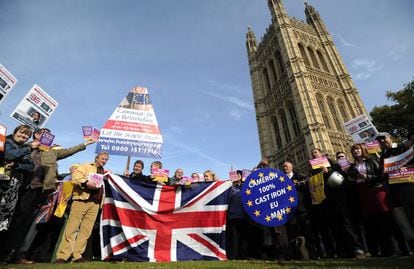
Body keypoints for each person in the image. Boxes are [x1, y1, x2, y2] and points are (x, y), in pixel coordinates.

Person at [16, 128, 96, 263]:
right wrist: (29, 147)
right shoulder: (25, 146)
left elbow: (68, 151)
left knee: (33, 224)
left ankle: (20, 254)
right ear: (36, 135)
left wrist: (85, 144)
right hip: (24, 188)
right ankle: (7, 252)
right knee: (17, 221)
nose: (47, 137)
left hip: (42, 191)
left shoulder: (52, 152)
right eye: (44, 134)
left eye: (49, 135)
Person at [308, 148, 364, 259]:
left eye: (316, 152)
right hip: (325, 200)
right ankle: (342, 251)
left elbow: (341, 177)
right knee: (334, 226)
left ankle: (356, 248)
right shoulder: (312, 169)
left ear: (321, 154)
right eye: (312, 153)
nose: (314, 154)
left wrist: (328, 171)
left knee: (346, 223)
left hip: (338, 198)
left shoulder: (332, 163)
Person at [55, 151, 109, 263]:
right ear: (97, 158)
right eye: (102, 158)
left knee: (86, 231)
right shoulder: (85, 166)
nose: (104, 161)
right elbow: (76, 176)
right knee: (72, 228)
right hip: (81, 200)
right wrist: (86, 183)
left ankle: (77, 255)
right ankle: (63, 256)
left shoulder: (105, 172)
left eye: (106, 160)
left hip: (95, 204)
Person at [0, 125, 39, 263]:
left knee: (4, 222)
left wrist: (16, 165)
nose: (23, 138)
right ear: (15, 132)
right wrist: (27, 148)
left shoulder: (24, 150)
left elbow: (30, 167)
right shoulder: (6, 141)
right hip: (2, 183)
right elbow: (8, 155)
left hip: (13, 188)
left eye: (25, 136)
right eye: (21, 135)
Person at [348, 143, 394, 256]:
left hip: (376, 191)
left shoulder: (372, 160)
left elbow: (381, 175)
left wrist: (367, 177)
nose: (356, 151)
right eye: (354, 150)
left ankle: (388, 249)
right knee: (369, 223)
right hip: (362, 194)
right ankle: (374, 250)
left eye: (358, 149)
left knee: (383, 221)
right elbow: (350, 180)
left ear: (362, 150)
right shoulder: (353, 166)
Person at [376, 132, 414, 250]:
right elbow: (382, 174)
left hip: (408, 188)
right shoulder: (383, 156)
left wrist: (406, 168)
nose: (382, 141)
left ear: (390, 138)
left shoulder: (404, 146)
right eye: (379, 140)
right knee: (403, 221)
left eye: (384, 138)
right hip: (393, 192)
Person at [283, 161, 311, 260]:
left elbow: (307, 188)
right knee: (292, 231)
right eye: (283, 167)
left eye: (286, 166)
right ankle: (296, 255)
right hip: (289, 209)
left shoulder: (300, 176)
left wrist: (299, 184)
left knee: (306, 229)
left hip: (301, 207)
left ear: (292, 166)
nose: (285, 168)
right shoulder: (281, 180)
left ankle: (311, 253)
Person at [226, 170, 248, 260]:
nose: (236, 176)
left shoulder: (246, 187)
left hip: (244, 215)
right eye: (234, 175)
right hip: (232, 215)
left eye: (238, 175)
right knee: (234, 237)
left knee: (244, 236)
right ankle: (234, 256)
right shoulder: (229, 188)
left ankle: (243, 255)